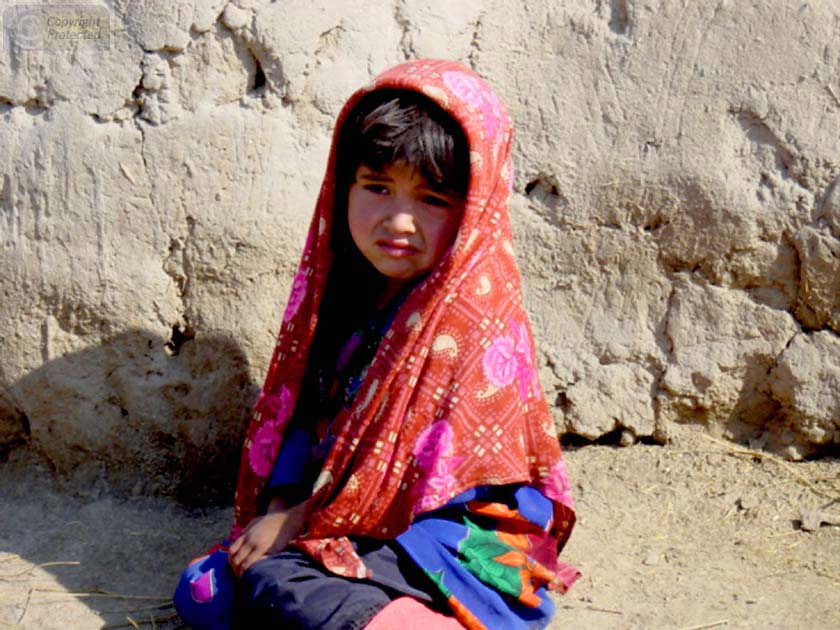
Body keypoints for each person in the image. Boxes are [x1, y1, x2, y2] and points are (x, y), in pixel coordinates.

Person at [175, 58, 577, 630]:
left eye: (433, 199)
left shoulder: (468, 321)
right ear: (344, 186)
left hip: (447, 541)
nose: (399, 220)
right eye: (378, 187)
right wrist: (280, 510)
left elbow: (435, 491)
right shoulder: (346, 302)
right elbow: (306, 416)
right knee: (206, 591)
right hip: (350, 521)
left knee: (276, 583)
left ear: (475, 207)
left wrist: (300, 526)